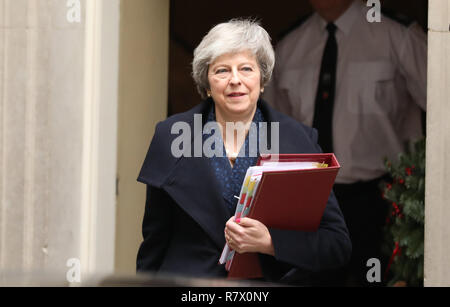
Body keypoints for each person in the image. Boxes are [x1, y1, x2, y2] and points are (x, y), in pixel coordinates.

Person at [136, 19, 351, 285]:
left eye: (246, 69)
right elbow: (154, 241)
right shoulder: (171, 136)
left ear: (262, 80)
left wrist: (271, 242)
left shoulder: (299, 140)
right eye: (222, 71)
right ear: (206, 84)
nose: (235, 80)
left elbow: (337, 244)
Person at [264, 0, 427, 286]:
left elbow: (442, 106)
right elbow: (275, 134)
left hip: (381, 200)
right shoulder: (289, 45)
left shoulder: (395, 34)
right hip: (311, 201)